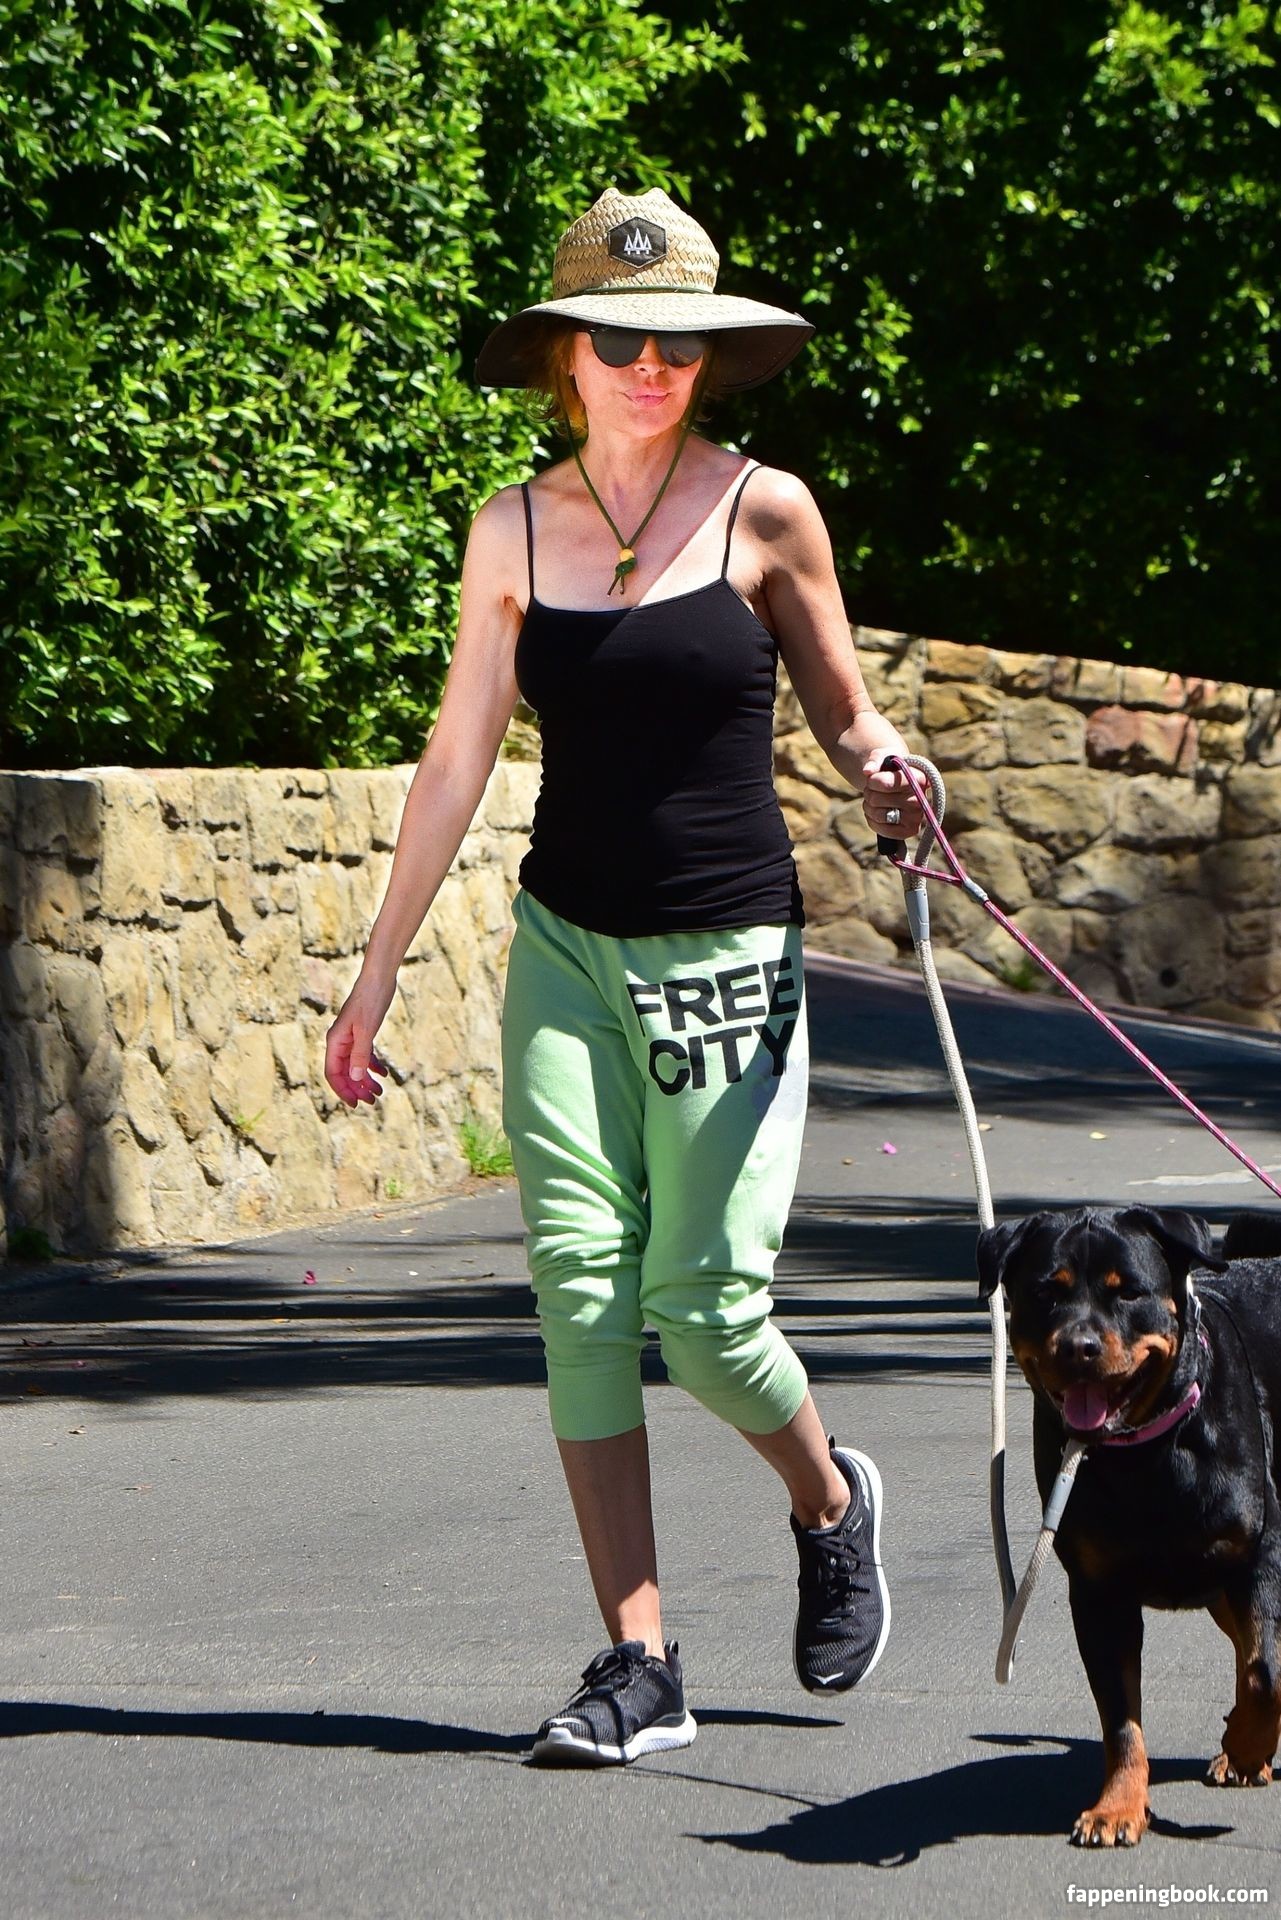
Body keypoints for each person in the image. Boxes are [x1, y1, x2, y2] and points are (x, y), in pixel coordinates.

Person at [324, 187, 922, 1766]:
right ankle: (640, 1661)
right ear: (564, 358)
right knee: (582, 1300)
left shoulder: (766, 511)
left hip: (726, 951)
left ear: (707, 360)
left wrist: (888, 770)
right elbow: (457, 758)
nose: (649, 367)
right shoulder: (512, 531)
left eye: (677, 345)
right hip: (566, 956)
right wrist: (374, 975)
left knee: (705, 1312)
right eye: (617, 341)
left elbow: (846, 712)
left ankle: (830, 1499)